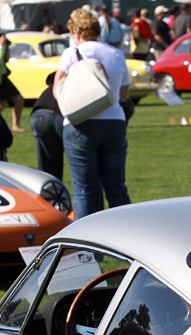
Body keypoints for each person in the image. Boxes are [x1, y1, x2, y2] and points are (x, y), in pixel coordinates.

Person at [55, 7, 132, 218]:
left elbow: (57, 89)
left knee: (84, 190)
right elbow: (123, 95)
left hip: (80, 124)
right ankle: (129, 242)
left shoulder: (71, 54)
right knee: (117, 189)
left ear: (76, 32)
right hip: (114, 122)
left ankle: (87, 250)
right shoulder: (116, 54)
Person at [31, 72, 65, 180]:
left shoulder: (60, 73)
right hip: (62, 114)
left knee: (47, 172)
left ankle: (49, 195)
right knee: (82, 169)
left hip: (40, 112)